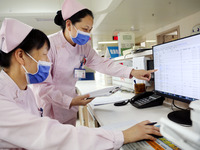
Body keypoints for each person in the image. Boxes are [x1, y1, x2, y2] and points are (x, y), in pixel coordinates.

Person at [0, 18, 161, 150]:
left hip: (63, 115)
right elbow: (48, 135)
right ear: (21, 56)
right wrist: (122, 136)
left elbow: (102, 63)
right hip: (53, 109)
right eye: (44, 55)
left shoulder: (22, 88)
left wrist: (131, 72)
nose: (49, 62)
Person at [32, 0, 157, 125]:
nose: (87, 34)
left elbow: (102, 63)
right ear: (69, 24)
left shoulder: (84, 46)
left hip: (70, 105)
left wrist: (132, 71)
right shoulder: (49, 45)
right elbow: (42, 87)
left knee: (69, 138)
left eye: (90, 30)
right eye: (84, 29)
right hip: (49, 108)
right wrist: (70, 101)